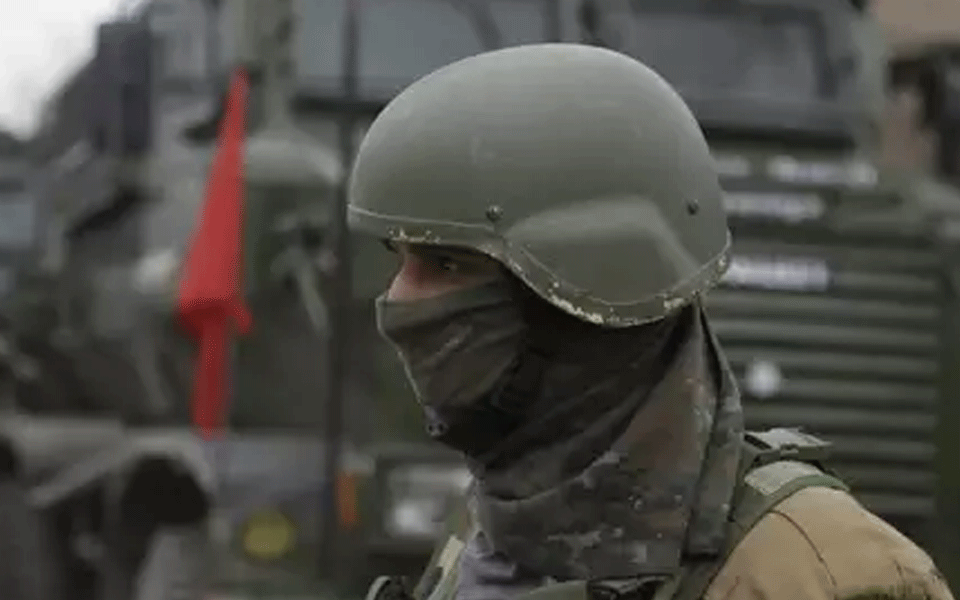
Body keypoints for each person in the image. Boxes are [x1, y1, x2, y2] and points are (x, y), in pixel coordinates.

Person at [348, 43, 954, 600]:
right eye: (399, 258)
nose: (398, 300)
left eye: (448, 263)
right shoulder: (490, 526)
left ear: (591, 288)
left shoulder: (826, 575)